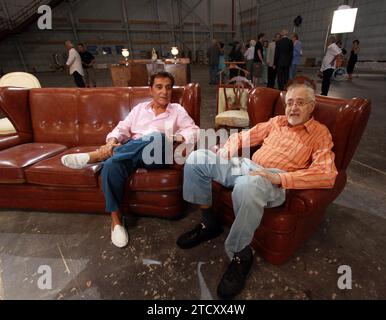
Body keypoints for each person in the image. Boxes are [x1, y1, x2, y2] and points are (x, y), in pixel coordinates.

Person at [176, 83, 338, 299]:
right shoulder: (277, 122)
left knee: (247, 186)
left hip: (273, 179)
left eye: (300, 103)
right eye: (289, 102)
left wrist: (280, 178)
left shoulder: (320, 133)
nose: (293, 108)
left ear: (312, 106)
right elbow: (242, 137)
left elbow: (327, 174)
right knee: (197, 159)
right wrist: (227, 151)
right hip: (246, 165)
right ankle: (209, 223)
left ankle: (240, 254)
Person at [61, 71, 200, 248]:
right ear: (151, 90)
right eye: (159, 87)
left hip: (157, 155)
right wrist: (112, 142)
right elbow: (121, 129)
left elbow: (194, 131)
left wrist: (171, 137)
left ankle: (97, 156)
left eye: (168, 87)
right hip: (132, 154)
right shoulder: (139, 109)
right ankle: (116, 221)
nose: (164, 92)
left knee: (156, 136)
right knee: (112, 165)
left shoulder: (177, 110)